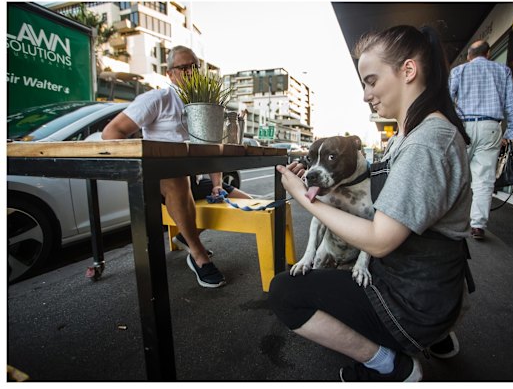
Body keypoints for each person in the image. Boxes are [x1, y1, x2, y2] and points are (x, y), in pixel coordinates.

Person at [268, 25, 473, 382]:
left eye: (372, 81)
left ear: (408, 71)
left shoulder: (427, 142)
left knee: (285, 292)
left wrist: (304, 198)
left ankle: (389, 363)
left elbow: (380, 240)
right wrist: (317, 183)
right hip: (422, 289)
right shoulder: (410, 135)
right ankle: (432, 336)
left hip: (411, 301)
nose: (366, 95)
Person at [102, 45, 251, 288]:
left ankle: (184, 235)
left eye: (194, 66)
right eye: (183, 67)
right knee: (175, 176)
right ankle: (198, 255)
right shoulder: (157, 99)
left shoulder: (204, 105)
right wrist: (144, 158)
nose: (190, 72)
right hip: (159, 181)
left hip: (192, 180)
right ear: (170, 73)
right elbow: (111, 133)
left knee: (246, 200)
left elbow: (210, 148)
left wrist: (216, 185)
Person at [449, 40, 513, 240]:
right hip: (491, 127)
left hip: (463, 126)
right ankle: (478, 225)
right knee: (483, 179)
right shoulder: (502, 71)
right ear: (488, 54)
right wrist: (510, 133)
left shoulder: (459, 71)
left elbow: (446, 101)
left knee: (456, 173)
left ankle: (451, 219)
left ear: (468, 56)